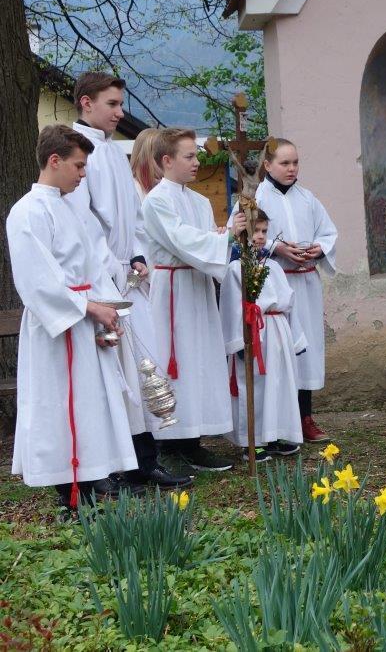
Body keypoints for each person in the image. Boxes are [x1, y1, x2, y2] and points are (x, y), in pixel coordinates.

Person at [68, 71, 191, 490]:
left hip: (127, 274)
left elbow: (132, 217)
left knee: (140, 368)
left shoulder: (112, 151)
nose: (121, 113)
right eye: (112, 104)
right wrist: (109, 271)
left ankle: (143, 461)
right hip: (103, 280)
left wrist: (137, 255)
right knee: (113, 374)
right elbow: (83, 224)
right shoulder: (77, 152)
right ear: (86, 103)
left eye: (121, 104)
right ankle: (111, 466)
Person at [7, 125, 140, 510]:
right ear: (54, 161)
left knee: (89, 402)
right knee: (60, 404)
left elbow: (95, 264)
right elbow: (37, 280)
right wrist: (88, 307)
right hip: (58, 327)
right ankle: (69, 490)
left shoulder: (73, 209)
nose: (83, 174)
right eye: (78, 166)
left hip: (86, 318)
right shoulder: (27, 212)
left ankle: (92, 475)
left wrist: (109, 309)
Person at [142, 128, 247, 471]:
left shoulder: (200, 201)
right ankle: (170, 444)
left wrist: (223, 238)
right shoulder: (156, 201)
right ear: (166, 160)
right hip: (173, 292)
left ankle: (194, 440)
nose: (196, 162)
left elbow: (207, 245)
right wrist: (224, 237)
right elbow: (182, 240)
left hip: (198, 287)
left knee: (201, 361)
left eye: (196, 155)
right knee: (177, 362)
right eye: (189, 156)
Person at [252, 139, 338, 442]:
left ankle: (304, 418)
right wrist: (276, 248)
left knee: (306, 350)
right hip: (276, 287)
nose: (291, 169)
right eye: (284, 163)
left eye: (295, 162)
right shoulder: (256, 199)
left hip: (306, 284)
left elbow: (328, 232)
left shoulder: (307, 198)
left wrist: (319, 248)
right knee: (279, 351)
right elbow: (245, 236)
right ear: (268, 165)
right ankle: (276, 424)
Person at [220, 210, 306, 462]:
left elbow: (289, 304)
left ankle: (275, 433)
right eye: (254, 231)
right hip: (255, 335)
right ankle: (252, 441)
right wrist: (238, 342)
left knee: (279, 385)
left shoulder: (273, 267)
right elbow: (231, 307)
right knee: (255, 386)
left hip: (278, 332)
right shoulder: (235, 269)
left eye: (264, 231)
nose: (259, 237)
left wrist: (295, 338)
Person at [130, 127, 163, 197]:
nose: (166, 160)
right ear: (145, 157)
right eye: (160, 154)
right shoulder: (131, 189)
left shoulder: (166, 188)